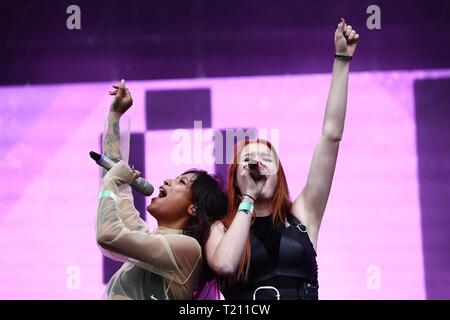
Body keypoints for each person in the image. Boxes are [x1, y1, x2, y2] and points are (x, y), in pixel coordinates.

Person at [205, 18, 359, 300]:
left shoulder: (302, 215)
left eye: (266, 158)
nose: (257, 164)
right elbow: (225, 263)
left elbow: (331, 137)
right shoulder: (220, 227)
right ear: (235, 177)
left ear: (279, 174)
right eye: (248, 160)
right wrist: (248, 200)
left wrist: (342, 60)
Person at [96, 79, 227, 300]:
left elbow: (108, 236)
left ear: (194, 208)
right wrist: (114, 117)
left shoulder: (187, 249)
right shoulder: (148, 238)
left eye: (181, 182)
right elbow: (118, 189)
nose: (167, 181)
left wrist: (111, 181)